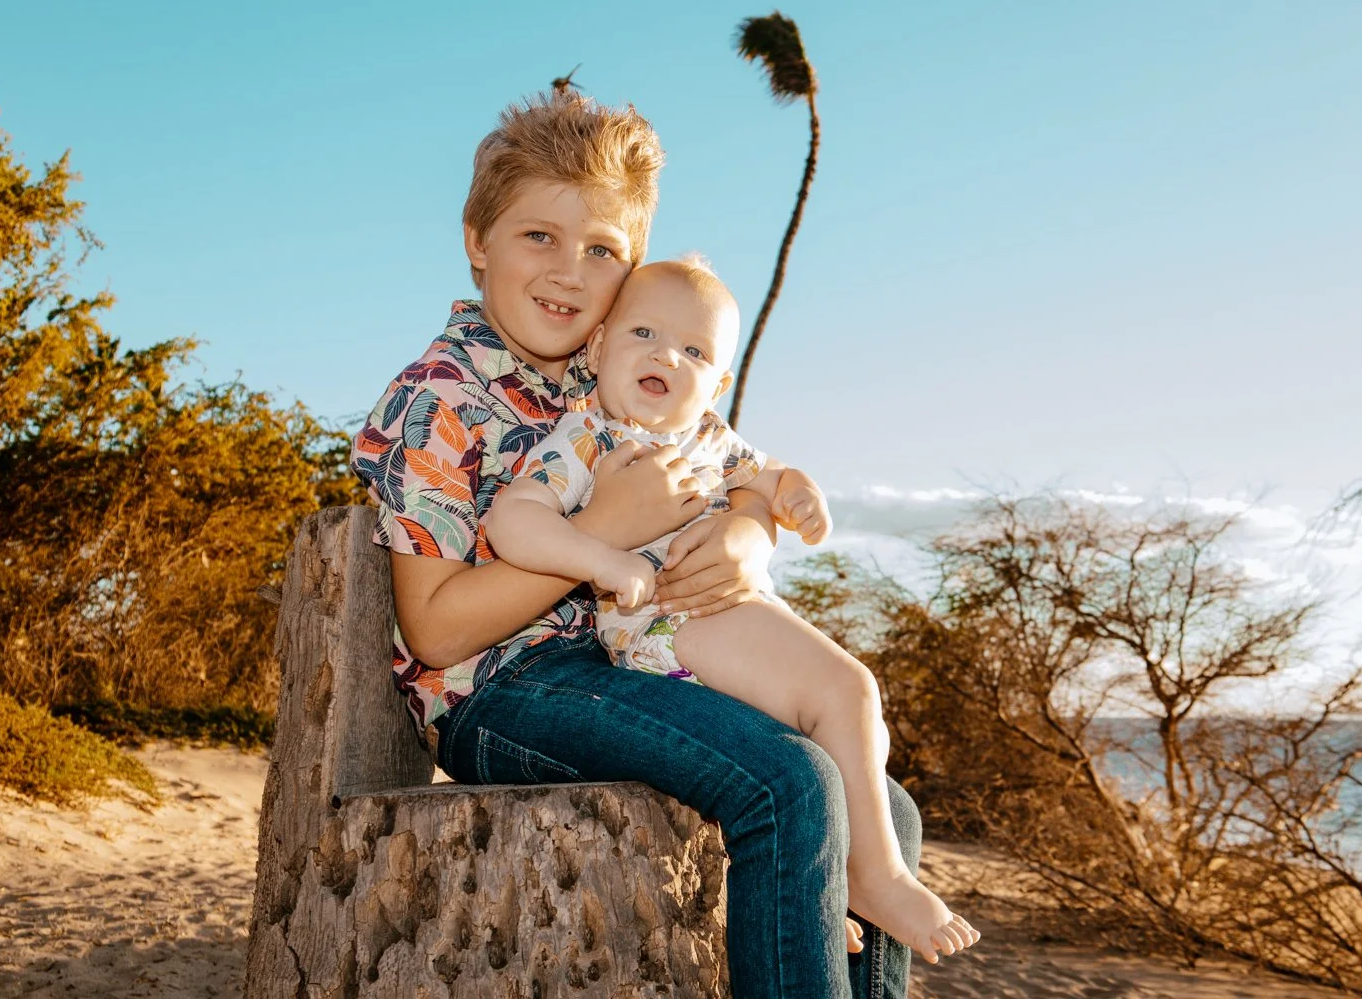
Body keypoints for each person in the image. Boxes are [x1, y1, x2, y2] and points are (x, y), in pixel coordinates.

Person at [351, 90, 941, 997]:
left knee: (885, 813)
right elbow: (434, 633)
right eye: (536, 237)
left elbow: (733, 472)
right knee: (787, 785)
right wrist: (606, 532)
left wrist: (748, 533)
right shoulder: (440, 397)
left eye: (600, 251)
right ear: (477, 240)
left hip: (623, 663)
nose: (567, 272)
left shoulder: (616, 373)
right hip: (497, 692)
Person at [484, 256, 980, 962]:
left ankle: (823, 887)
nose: (665, 356)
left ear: (715, 384)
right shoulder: (589, 436)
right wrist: (604, 559)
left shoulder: (710, 438)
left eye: (692, 351)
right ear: (597, 349)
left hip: (713, 623)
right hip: (673, 621)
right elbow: (514, 521)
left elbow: (767, 476)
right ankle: (875, 876)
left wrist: (795, 491)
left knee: (847, 746)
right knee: (846, 690)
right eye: (644, 334)